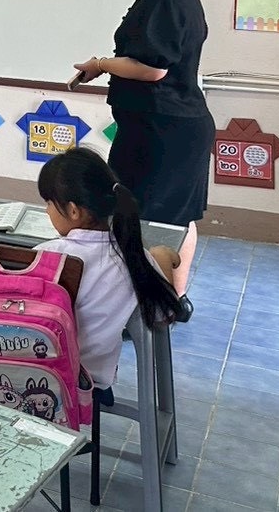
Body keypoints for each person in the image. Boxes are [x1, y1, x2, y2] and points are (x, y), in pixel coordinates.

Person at [72, 0, 212, 293]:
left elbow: (152, 68)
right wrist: (103, 66)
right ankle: (173, 298)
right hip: (169, 125)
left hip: (162, 131)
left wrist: (102, 64)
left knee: (152, 221)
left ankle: (156, 303)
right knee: (176, 218)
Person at [36, 148, 187, 396]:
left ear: (73, 210)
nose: (47, 211)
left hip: (36, 373)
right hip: (88, 386)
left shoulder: (44, 255)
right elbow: (165, 314)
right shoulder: (134, 259)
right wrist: (161, 259)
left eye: (49, 203)